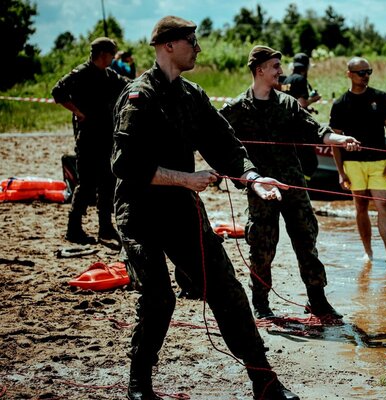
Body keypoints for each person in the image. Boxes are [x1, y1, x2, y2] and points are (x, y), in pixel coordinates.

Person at [111, 17, 298, 400]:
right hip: (139, 209)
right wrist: (185, 178)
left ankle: (264, 381)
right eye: (191, 41)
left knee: (227, 289)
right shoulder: (138, 96)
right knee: (159, 296)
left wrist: (253, 177)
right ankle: (139, 384)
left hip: (180, 206)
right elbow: (125, 166)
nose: (198, 48)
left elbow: (224, 145)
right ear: (167, 46)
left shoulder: (192, 95)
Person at [220, 45, 360, 320]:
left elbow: (316, 130)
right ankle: (260, 304)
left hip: (293, 185)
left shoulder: (287, 104)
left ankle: (318, 301)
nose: (281, 72)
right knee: (262, 247)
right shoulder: (236, 109)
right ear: (259, 70)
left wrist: (340, 140)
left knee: (306, 240)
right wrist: (233, 176)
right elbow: (218, 143)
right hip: (261, 188)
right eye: (275, 67)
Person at [52, 37, 130, 244]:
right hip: (87, 137)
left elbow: (128, 86)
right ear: (103, 54)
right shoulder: (81, 74)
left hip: (106, 136)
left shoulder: (109, 75)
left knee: (107, 183)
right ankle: (73, 229)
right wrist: (77, 111)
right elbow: (57, 92)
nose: (113, 58)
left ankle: (105, 227)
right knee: (86, 184)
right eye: (112, 55)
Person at [329, 57, 386, 264]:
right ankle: (368, 252)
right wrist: (340, 172)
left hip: (380, 161)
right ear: (349, 75)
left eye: (368, 71)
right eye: (361, 73)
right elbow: (334, 141)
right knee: (361, 207)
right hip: (352, 164)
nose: (366, 76)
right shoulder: (340, 104)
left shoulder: (381, 97)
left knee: (384, 207)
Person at [282, 53, 322, 180]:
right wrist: (313, 100)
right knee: (310, 163)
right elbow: (301, 103)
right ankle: (303, 186)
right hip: (299, 128)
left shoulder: (286, 80)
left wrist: (309, 108)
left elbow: (289, 102)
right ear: (306, 67)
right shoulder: (301, 80)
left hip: (286, 126)